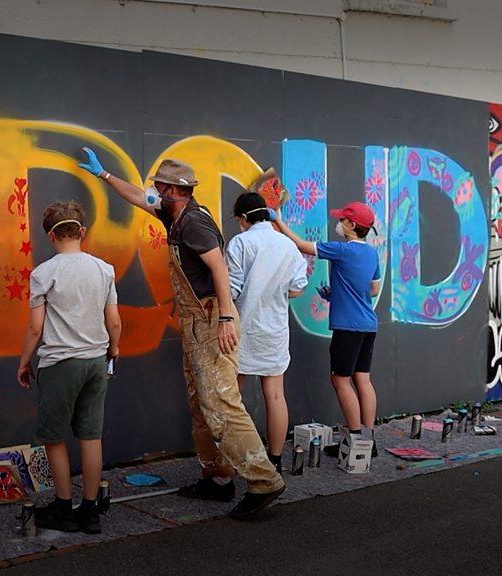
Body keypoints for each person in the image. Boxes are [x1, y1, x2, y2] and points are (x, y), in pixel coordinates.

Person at [79, 148, 285, 518]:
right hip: (195, 321)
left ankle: (263, 479)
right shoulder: (175, 213)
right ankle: (219, 478)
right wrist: (104, 176)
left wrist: (225, 318)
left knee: (221, 401)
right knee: (200, 402)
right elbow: (139, 198)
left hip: (210, 318)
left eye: (159, 185)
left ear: (174, 190)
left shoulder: (194, 223)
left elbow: (219, 268)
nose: (153, 189)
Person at [17, 200, 121, 534]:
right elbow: (114, 321)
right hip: (96, 361)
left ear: (51, 235)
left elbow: (36, 328)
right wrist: (113, 351)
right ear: (82, 231)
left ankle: (63, 506)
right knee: (91, 436)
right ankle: (89, 511)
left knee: (54, 437)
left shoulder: (43, 274)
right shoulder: (104, 269)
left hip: (60, 363)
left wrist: (23, 363)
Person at [272, 201, 381, 456]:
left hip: (348, 327)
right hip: (368, 324)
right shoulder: (372, 253)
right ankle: (368, 438)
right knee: (363, 379)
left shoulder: (342, 250)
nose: (339, 224)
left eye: (343, 220)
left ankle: (354, 444)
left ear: (352, 225)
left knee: (340, 379)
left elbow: (302, 245)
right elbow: (373, 289)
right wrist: (339, 294)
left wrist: (278, 220)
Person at [226, 192, 308, 471]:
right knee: (275, 396)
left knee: (232, 397)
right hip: (274, 329)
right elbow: (297, 289)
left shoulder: (240, 242)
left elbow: (232, 289)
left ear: (244, 218)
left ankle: (237, 459)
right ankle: (274, 460)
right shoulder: (287, 245)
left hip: (241, 329)